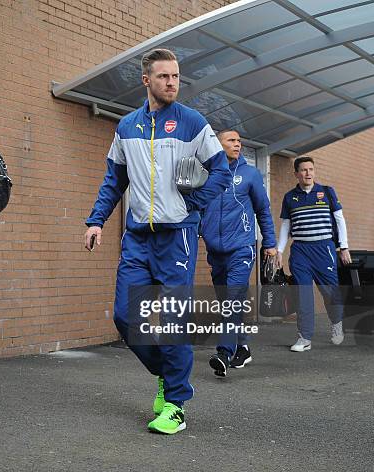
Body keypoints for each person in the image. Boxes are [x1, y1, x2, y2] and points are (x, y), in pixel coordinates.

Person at [84, 49, 229, 435]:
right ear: (146, 80)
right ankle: (167, 375)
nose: (172, 83)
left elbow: (221, 170)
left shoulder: (192, 122)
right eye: (164, 77)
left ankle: (176, 404)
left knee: (171, 321)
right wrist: (97, 220)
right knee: (125, 316)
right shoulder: (127, 127)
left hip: (176, 236)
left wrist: (192, 203)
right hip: (137, 237)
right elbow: (114, 179)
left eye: (176, 77)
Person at [200, 130, 276, 377]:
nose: (237, 144)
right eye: (231, 141)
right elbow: (197, 207)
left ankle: (223, 353)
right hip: (215, 251)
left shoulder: (250, 174)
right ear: (218, 145)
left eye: (239, 141)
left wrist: (270, 244)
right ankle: (242, 346)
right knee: (227, 304)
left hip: (242, 248)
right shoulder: (207, 173)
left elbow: (263, 211)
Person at [276, 156, 351, 352]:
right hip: (300, 251)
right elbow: (286, 226)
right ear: (296, 173)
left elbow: (340, 220)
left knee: (329, 292)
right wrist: (279, 250)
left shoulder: (326, 192)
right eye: (303, 170)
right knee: (303, 294)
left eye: (311, 169)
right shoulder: (290, 197)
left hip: (324, 249)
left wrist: (344, 247)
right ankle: (304, 338)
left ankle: (336, 323)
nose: (308, 173)